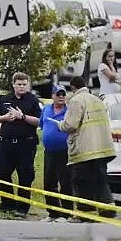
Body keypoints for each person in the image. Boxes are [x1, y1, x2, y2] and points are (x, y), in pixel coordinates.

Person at [53, 75, 117, 222]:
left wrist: (60, 125)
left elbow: (71, 125)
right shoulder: (97, 100)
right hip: (102, 148)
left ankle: (85, 213)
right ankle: (108, 210)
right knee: (100, 179)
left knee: (81, 180)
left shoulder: (76, 100)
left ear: (73, 87)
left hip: (85, 150)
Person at [0, 72, 42, 218]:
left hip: (25, 143)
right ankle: (7, 203)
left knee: (25, 176)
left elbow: (40, 121)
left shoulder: (33, 101)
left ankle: (22, 207)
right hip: (6, 143)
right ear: (13, 84)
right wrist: (5, 117)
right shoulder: (6, 99)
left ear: (28, 85)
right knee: (1, 172)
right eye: (19, 84)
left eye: (24, 84)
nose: (21, 87)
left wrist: (22, 117)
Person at [38, 84, 73, 222]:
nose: (61, 97)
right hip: (49, 151)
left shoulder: (69, 111)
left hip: (64, 151)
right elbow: (41, 125)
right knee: (48, 183)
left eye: (63, 94)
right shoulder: (46, 109)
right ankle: (53, 212)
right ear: (52, 96)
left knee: (65, 183)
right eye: (58, 94)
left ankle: (66, 213)